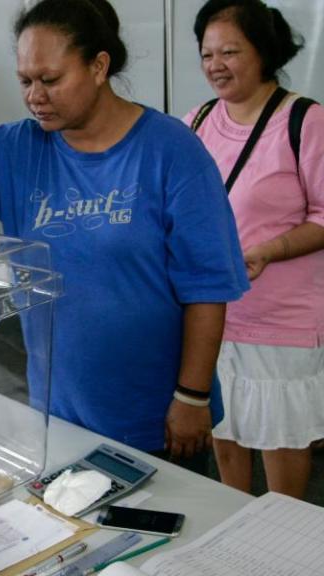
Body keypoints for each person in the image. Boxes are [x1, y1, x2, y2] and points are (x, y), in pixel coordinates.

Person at [0, 0, 250, 470]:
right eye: (25, 80)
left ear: (99, 66)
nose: (35, 95)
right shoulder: (15, 149)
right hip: (60, 412)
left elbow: (207, 288)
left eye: (51, 79)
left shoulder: (171, 151)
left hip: (156, 413)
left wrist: (193, 396)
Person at [185, 0, 324, 499]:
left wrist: (272, 249)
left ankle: (285, 540)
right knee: (225, 426)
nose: (215, 65)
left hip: (279, 317)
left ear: (264, 53)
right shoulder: (197, 120)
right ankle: (235, 525)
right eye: (206, 54)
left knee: (280, 435)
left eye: (230, 51)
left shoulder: (305, 121)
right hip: (213, 311)